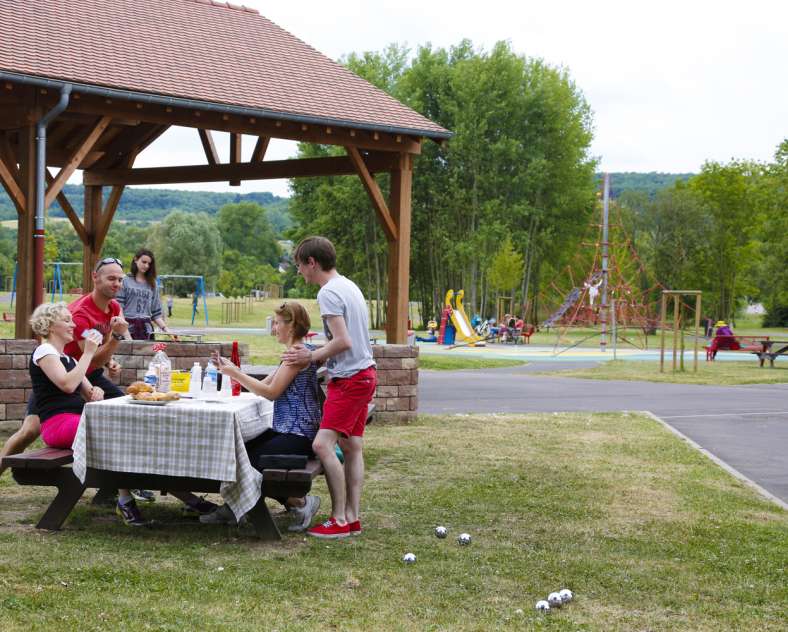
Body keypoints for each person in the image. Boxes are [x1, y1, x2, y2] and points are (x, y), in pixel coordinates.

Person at [283, 236, 376, 539]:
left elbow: (343, 341)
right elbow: (349, 340)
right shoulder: (349, 286)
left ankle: (338, 520)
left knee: (322, 445)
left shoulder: (329, 293)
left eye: (300, 265)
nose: (300, 272)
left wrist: (311, 356)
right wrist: (321, 358)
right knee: (351, 446)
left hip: (350, 380)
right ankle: (352, 517)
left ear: (312, 262)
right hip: (364, 374)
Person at [25, 301, 150, 526]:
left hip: (78, 419)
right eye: (66, 320)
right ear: (50, 325)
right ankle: (125, 497)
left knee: (124, 429)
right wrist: (89, 353)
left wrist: (97, 390)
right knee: (113, 433)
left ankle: (131, 490)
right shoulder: (44, 351)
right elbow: (66, 384)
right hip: (57, 424)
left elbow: (88, 391)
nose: (73, 324)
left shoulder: (70, 359)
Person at [200, 301, 322, 531]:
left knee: (247, 459)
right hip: (291, 431)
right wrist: (234, 372)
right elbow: (265, 385)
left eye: (277, 323)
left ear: (292, 325)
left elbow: (271, 393)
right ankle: (241, 505)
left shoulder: (295, 355)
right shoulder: (294, 353)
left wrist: (236, 373)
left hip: (298, 435)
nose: (274, 328)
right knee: (241, 449)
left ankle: (297, 502)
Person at [116, 249, 175, 341]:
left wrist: (167, 330)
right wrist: (126, 334)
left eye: (149, 263)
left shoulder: (153, 284)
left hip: (146, 329)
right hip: (127, 327)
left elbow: (156, 313)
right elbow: (118, 309)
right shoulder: (125, 281)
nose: (146, 265)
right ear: (136, 260)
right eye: (144, 262)